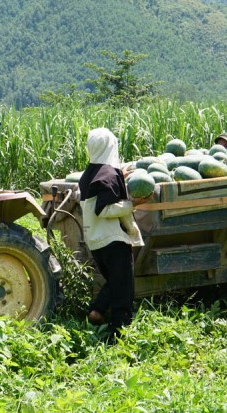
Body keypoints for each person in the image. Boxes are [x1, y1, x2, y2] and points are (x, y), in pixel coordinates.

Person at [78, 128, 148, 343]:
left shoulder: (90, 173)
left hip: (96, 240)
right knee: (123, 287)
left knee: (115, 280)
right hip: (112, 239)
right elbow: (104, 209)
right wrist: (133, 204)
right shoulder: (108, 174)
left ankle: (97, 311)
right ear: (111, 147)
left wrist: (120, 176)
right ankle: (120, 332)